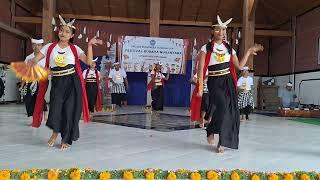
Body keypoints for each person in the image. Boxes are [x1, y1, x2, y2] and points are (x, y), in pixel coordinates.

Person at [28, 15, 103, 150]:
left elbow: (89, 62)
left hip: (72, 82)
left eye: (67, 31)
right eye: (62, 30)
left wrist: (90, 45)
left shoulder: (75, 49)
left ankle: (66, 138)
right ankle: (55, 132)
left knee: (69, 111)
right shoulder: (49, 47)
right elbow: (34, 61)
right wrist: (39, 68)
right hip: (57, 82)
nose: (63, 33)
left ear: (72, 35)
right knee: (55, 110)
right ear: (58, 31)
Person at [194, 15, 263, 153]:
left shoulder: (229, 49)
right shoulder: (205, 48)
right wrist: (200, 88)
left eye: (224, 30)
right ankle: (212, 129)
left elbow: (239, 66)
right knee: (223, 106)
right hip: (214, 81)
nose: (222, 32)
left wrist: (249, 51)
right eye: (218, 29)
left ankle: (222, 141)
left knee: (231, 111)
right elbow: (201, 69)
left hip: (228, 81)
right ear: (213, 31)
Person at [19, 36, 48, 125]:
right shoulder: (28, 58)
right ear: (32, 46)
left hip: (42, 81)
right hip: (30, 81)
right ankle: (33, 118)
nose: (37, 47)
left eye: (39, 45)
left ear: (42, 46)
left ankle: (44, 113)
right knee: (28, 99)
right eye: (34, 45)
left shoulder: (46, 57)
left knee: (39, 97)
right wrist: (22, 85)